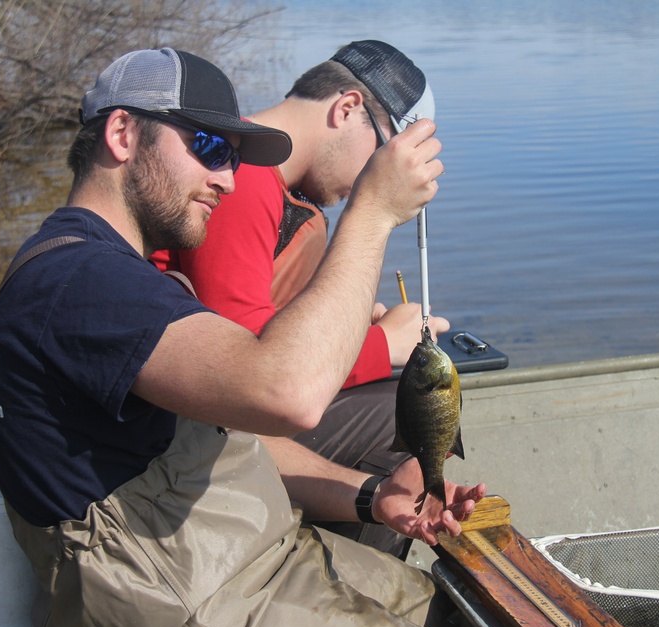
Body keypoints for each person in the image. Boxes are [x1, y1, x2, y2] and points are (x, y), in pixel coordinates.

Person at [0, 47, 496, 627]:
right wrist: (373, 212)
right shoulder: (79, 281)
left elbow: (230, 444)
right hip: (187, 609)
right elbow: (289, 394)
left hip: (251, 560)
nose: (226, 177)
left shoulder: (116, 277)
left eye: (232, 156)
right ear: (121, 134)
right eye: (210, 148)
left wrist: (371, 494)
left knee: (473, 619)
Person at [151, 41, 447, 559]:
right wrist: (382, 345)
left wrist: (351, 324)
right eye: (381, 161)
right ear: (347, 108)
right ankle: (348, 585)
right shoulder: (239, 181)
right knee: (396, 416)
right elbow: (244, 374)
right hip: (180, 433)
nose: (372, 182)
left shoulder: (260, 177)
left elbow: (243, 320)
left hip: (203, 409)